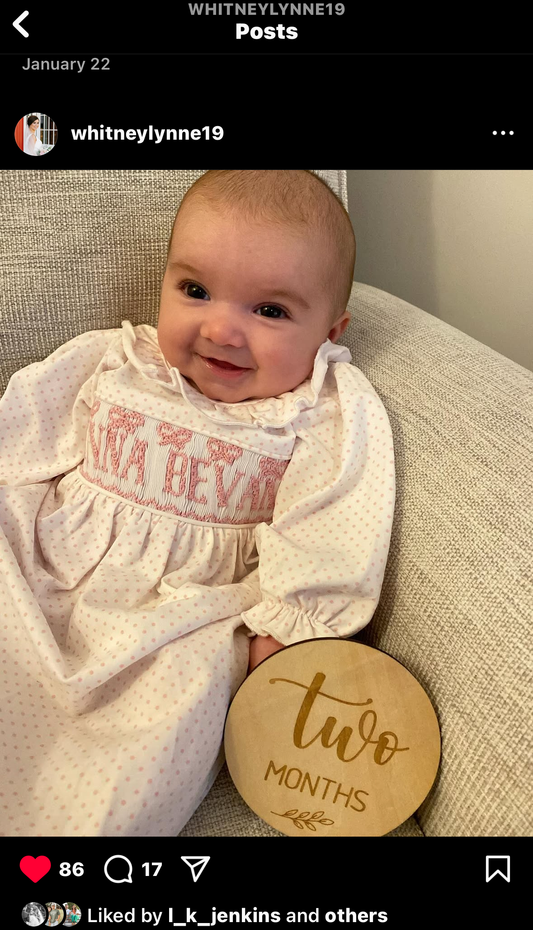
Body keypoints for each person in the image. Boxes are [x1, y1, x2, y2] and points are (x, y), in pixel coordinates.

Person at [0, 169, 395, 837]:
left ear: (330, 329)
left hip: (184, 620)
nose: (221, 328)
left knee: (156, 735)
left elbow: (332, 521)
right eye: (195, 290)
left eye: (268, 311)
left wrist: (289, 634)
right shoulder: (116, 362)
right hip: (43, 574)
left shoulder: (318, 411)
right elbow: (21, 436)